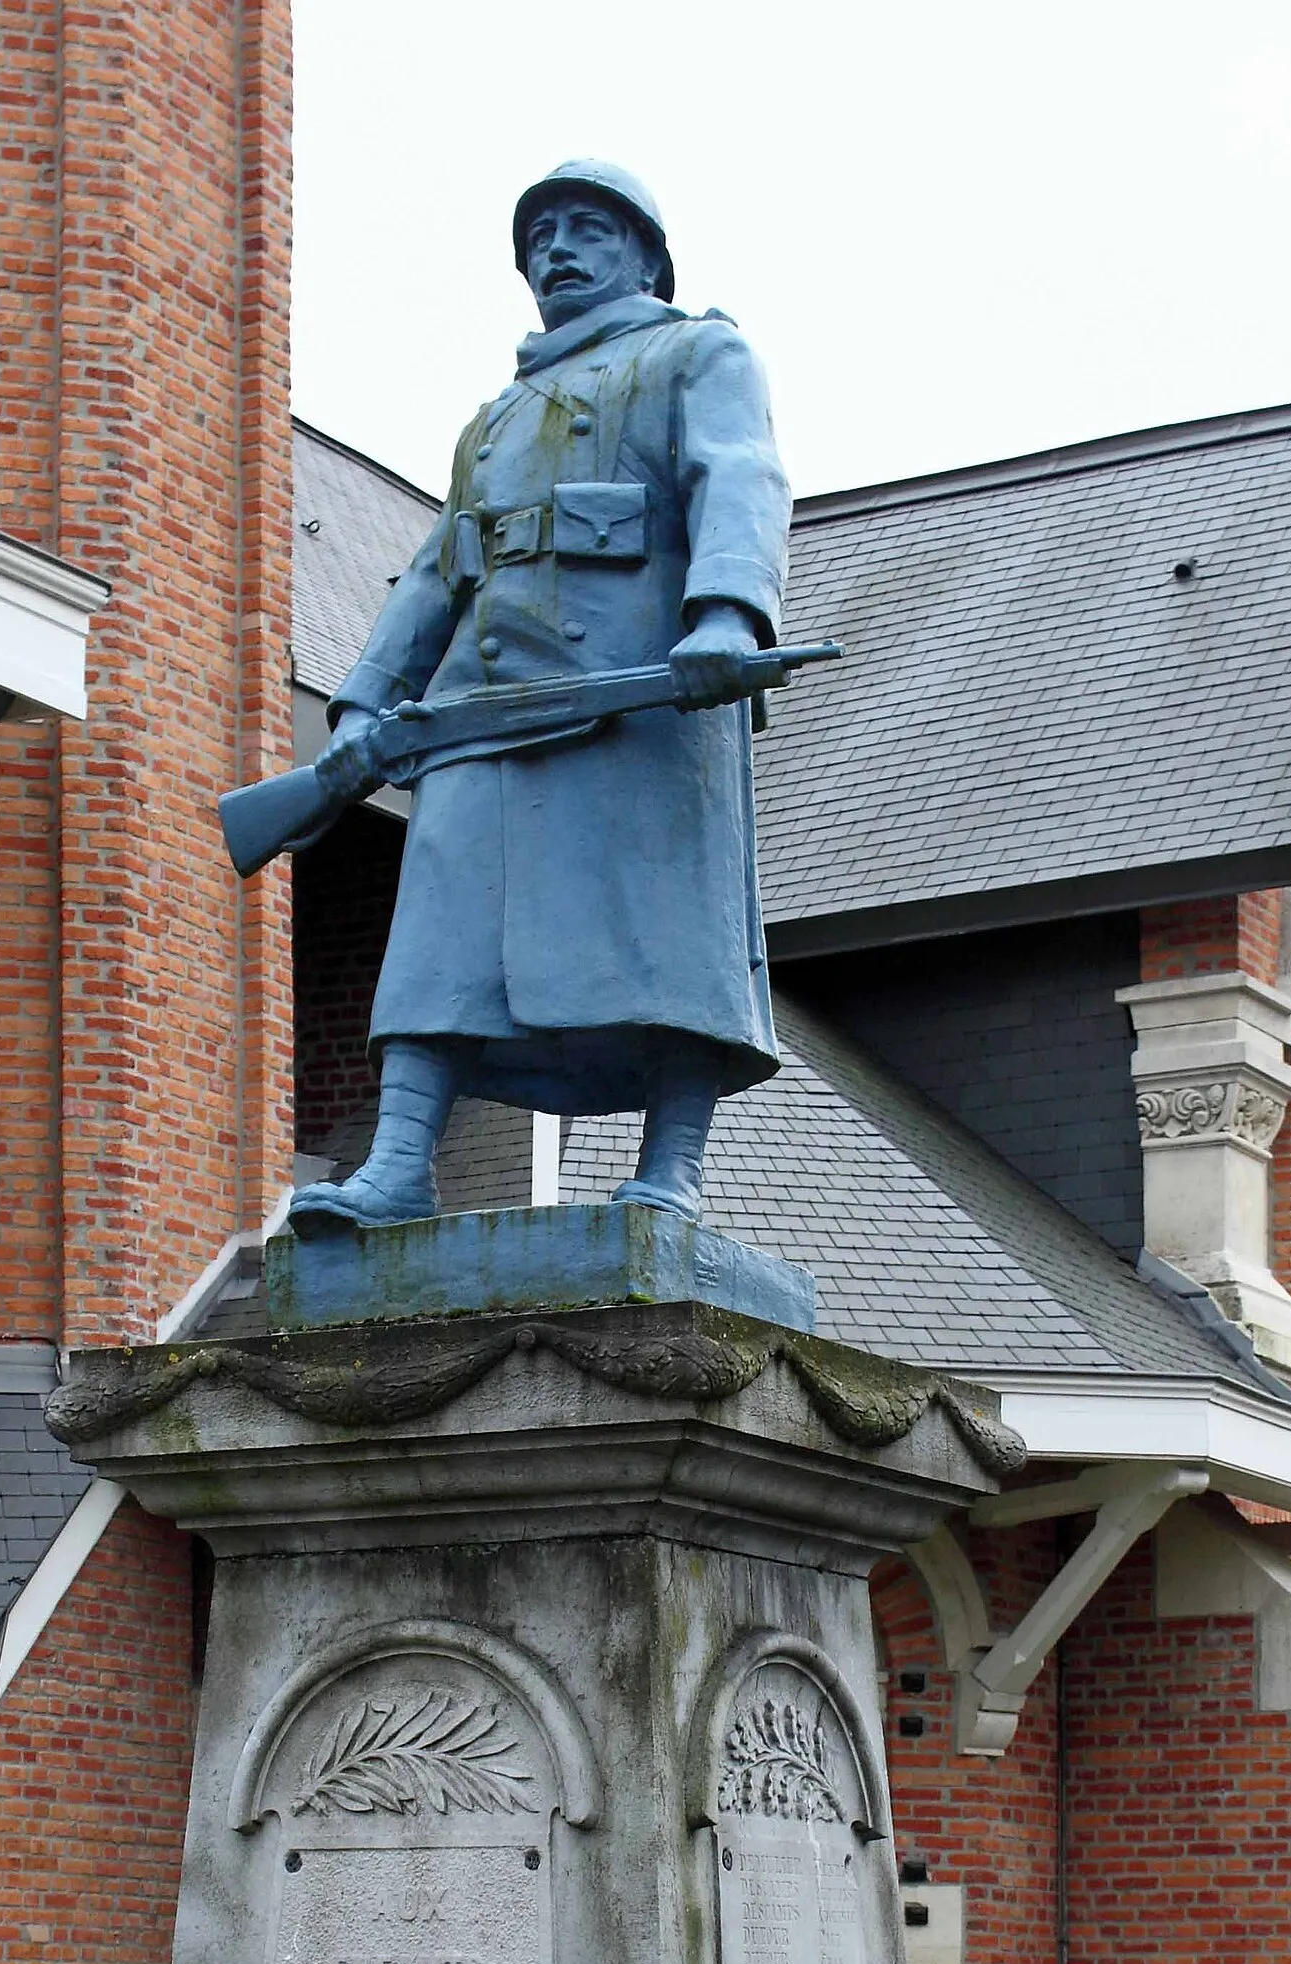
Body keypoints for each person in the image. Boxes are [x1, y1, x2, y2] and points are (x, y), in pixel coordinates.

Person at [290, 159, 793, 1232]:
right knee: (439, 917)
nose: (555, 250)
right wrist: (363, 705)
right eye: (540, 234)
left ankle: (672, 1171)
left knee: (667, 930)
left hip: (642, 692)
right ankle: (396, 1165)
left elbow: (739, 476)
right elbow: (437, 566)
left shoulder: (697, 351)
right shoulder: (494, 418)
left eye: (586, 229)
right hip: (483, 702)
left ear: (644, 256)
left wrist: (724, 617)